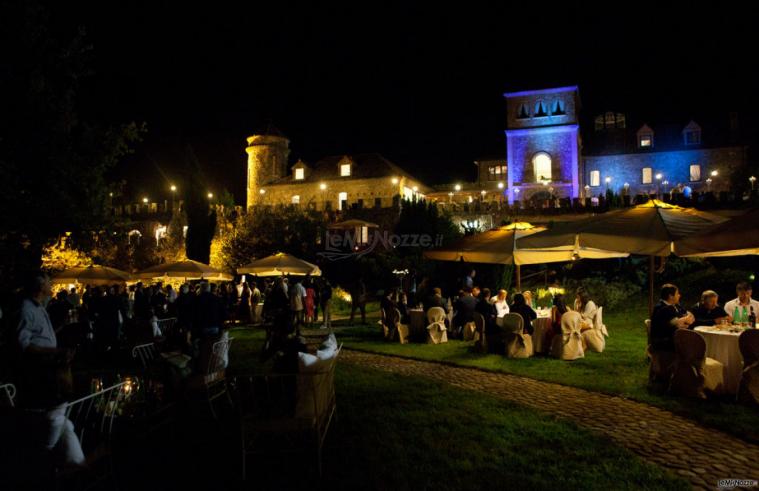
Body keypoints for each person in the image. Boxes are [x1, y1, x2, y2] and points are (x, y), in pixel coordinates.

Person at [15, 273, 85, 468]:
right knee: (56, 412)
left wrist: (61, 328)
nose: (51, 284)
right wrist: (55, 350)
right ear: (39, 286)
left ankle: (77, 463)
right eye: (48, 282)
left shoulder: (39, 307)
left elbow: (40, 335)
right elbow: (23, 344)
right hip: (39, 370)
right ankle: (43, 453)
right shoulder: (26, 309)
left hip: (49, 367)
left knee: (64, 422)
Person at [650, 284, 694, 353]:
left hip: (670, 338)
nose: (679, 295)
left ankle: (686, 362)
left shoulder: (675, 306)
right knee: (693, 341)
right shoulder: (664, 308)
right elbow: (679, 325)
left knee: (691, 338)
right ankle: (686, 362)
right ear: (671, 296)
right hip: (663, 342)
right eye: (677, 294)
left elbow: (690, 317)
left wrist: (685, 319)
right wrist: (686, 319)